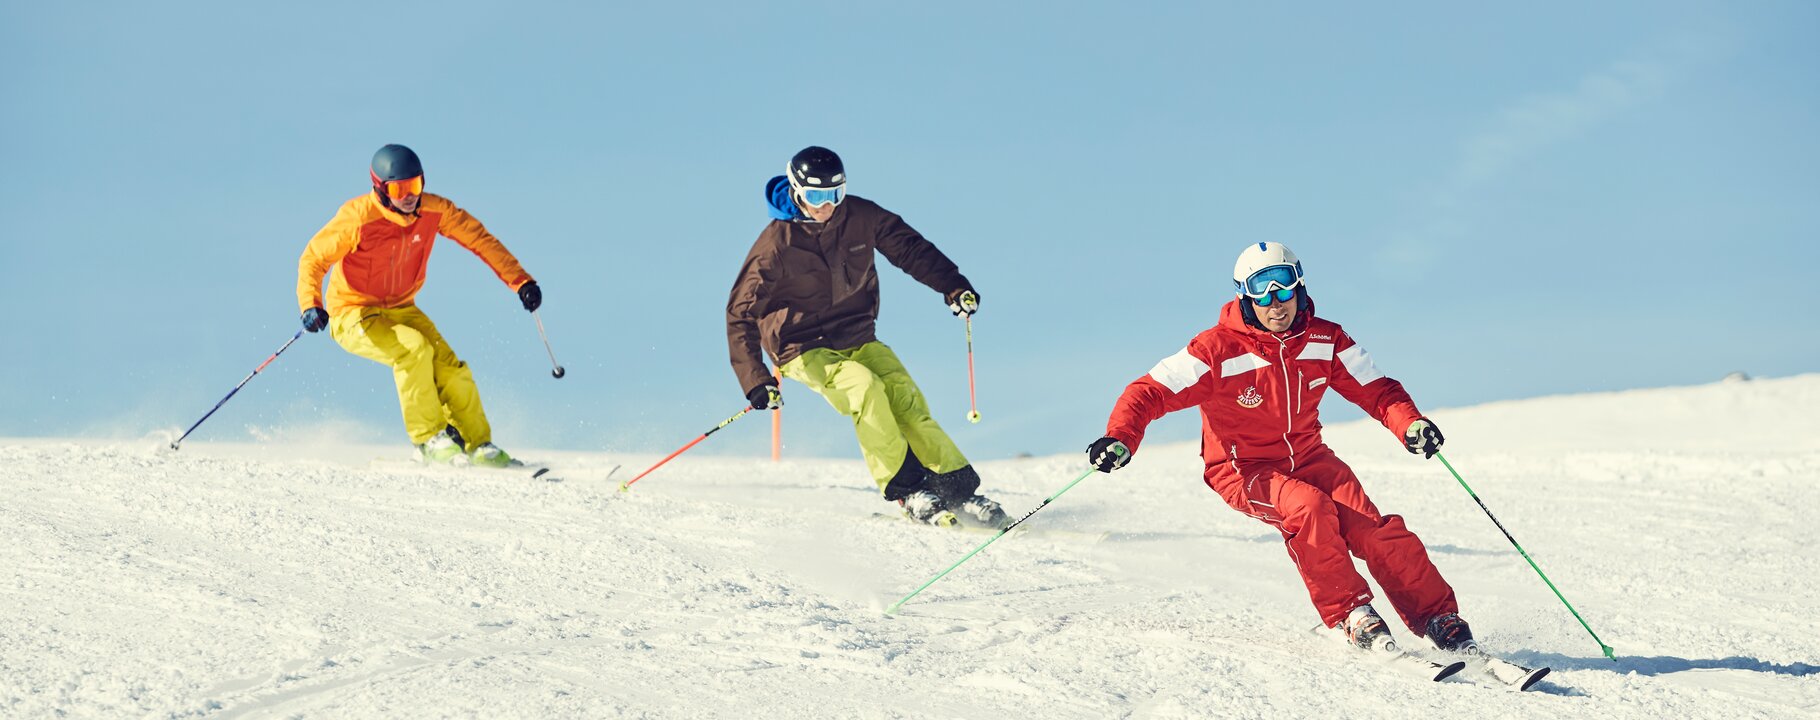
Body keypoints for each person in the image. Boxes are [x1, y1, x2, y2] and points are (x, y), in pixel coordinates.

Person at [1084, 242, 1476, 656]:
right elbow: (1148, 392)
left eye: (1285, 288)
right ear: (1245, 296)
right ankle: (1350, 613)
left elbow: (1378, 391)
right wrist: (1120, 437)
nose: (1277, 302)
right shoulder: (1215, 350)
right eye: (1263, 291)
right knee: (1309, 508)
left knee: (1372, 529)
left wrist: (1410, 423)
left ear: (1300, 287)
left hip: (1310, 457)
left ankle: (1438, 616)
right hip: (1244, 469)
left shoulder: (1326, 339)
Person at [726, 146, 1008, 529]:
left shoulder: (860, 216)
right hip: (801, 346)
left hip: (857, 332)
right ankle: (908, 490)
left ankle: (958, 490)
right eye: (815, 197)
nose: (825, 206)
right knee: (864, 388)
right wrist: (755, 379)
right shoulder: (776, 244)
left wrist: (953, 286)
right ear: (796, 191)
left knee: (903, 395)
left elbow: (910, 248)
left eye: (834, 195)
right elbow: (740, 312)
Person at [296, 144, 542, 467]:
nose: (410, 196)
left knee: (448, 366)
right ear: (381, 189)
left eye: (415, 185)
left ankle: (478, 445)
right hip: (351, 312)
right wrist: (310, 303)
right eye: (400, 189)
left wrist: (520, 280)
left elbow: (478, 239)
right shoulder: (358, 218)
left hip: (401, 307)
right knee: (413, 350)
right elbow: (314, 258)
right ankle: (428, 440)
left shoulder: (433, 210)